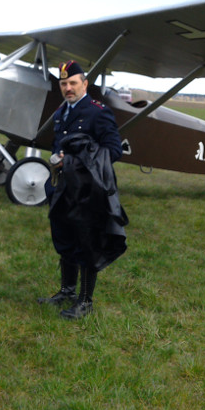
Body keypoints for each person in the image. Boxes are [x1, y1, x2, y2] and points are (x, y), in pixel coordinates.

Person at [38, 60, 128, 319]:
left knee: (86, 243)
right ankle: (66, 291)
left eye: (73, 83)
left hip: (89, 191)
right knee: (65, 239)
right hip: (64, 188)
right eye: (64, 83)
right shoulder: (62, 111)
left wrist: (76, 163)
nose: (68, 88)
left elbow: (113, 150)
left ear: (85, 84)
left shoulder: (98, 112)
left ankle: (85, 301)